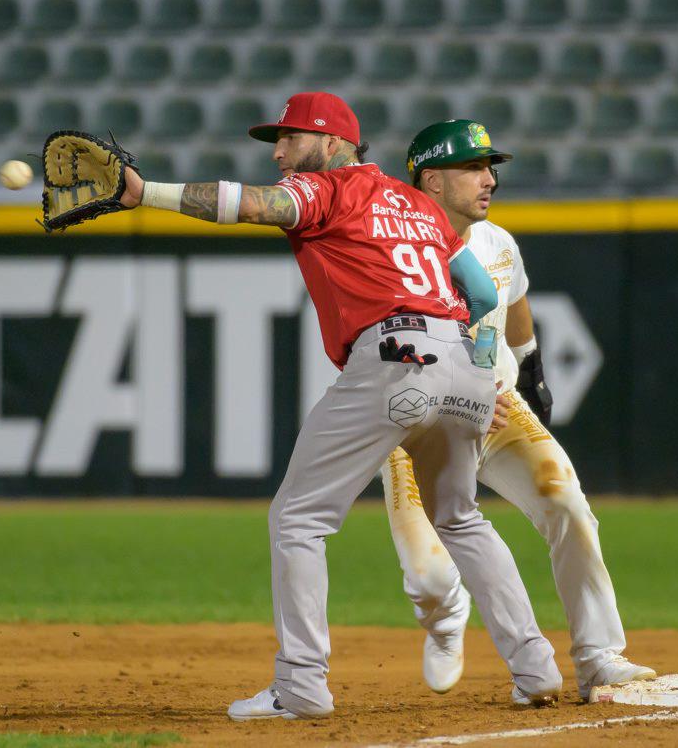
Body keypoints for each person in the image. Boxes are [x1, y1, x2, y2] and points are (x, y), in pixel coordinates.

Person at [118, 93, 563, 720]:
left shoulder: (326, 191)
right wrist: (485, 377)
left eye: (290, 138)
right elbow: (485, 290)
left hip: (395, 359)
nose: (278, 153)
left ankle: (301, 685)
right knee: (461, 520)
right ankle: (537, 666)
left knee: (298, 518)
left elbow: (247, 206)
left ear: (331, 144)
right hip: (461, 367)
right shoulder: (417, 203)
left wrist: (147, 194)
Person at [381, 120, 656, 704]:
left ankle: (598, 656)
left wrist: (530, 367)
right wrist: (466, 391)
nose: (490, 179)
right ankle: (456, 623)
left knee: (565, 502)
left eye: (491, 168)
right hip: (415, 427)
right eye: (474, 168)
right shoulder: (396, 251)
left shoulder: (497, 241)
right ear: (431, 180)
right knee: (430, 578)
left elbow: (515, 299)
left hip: (500, 410)